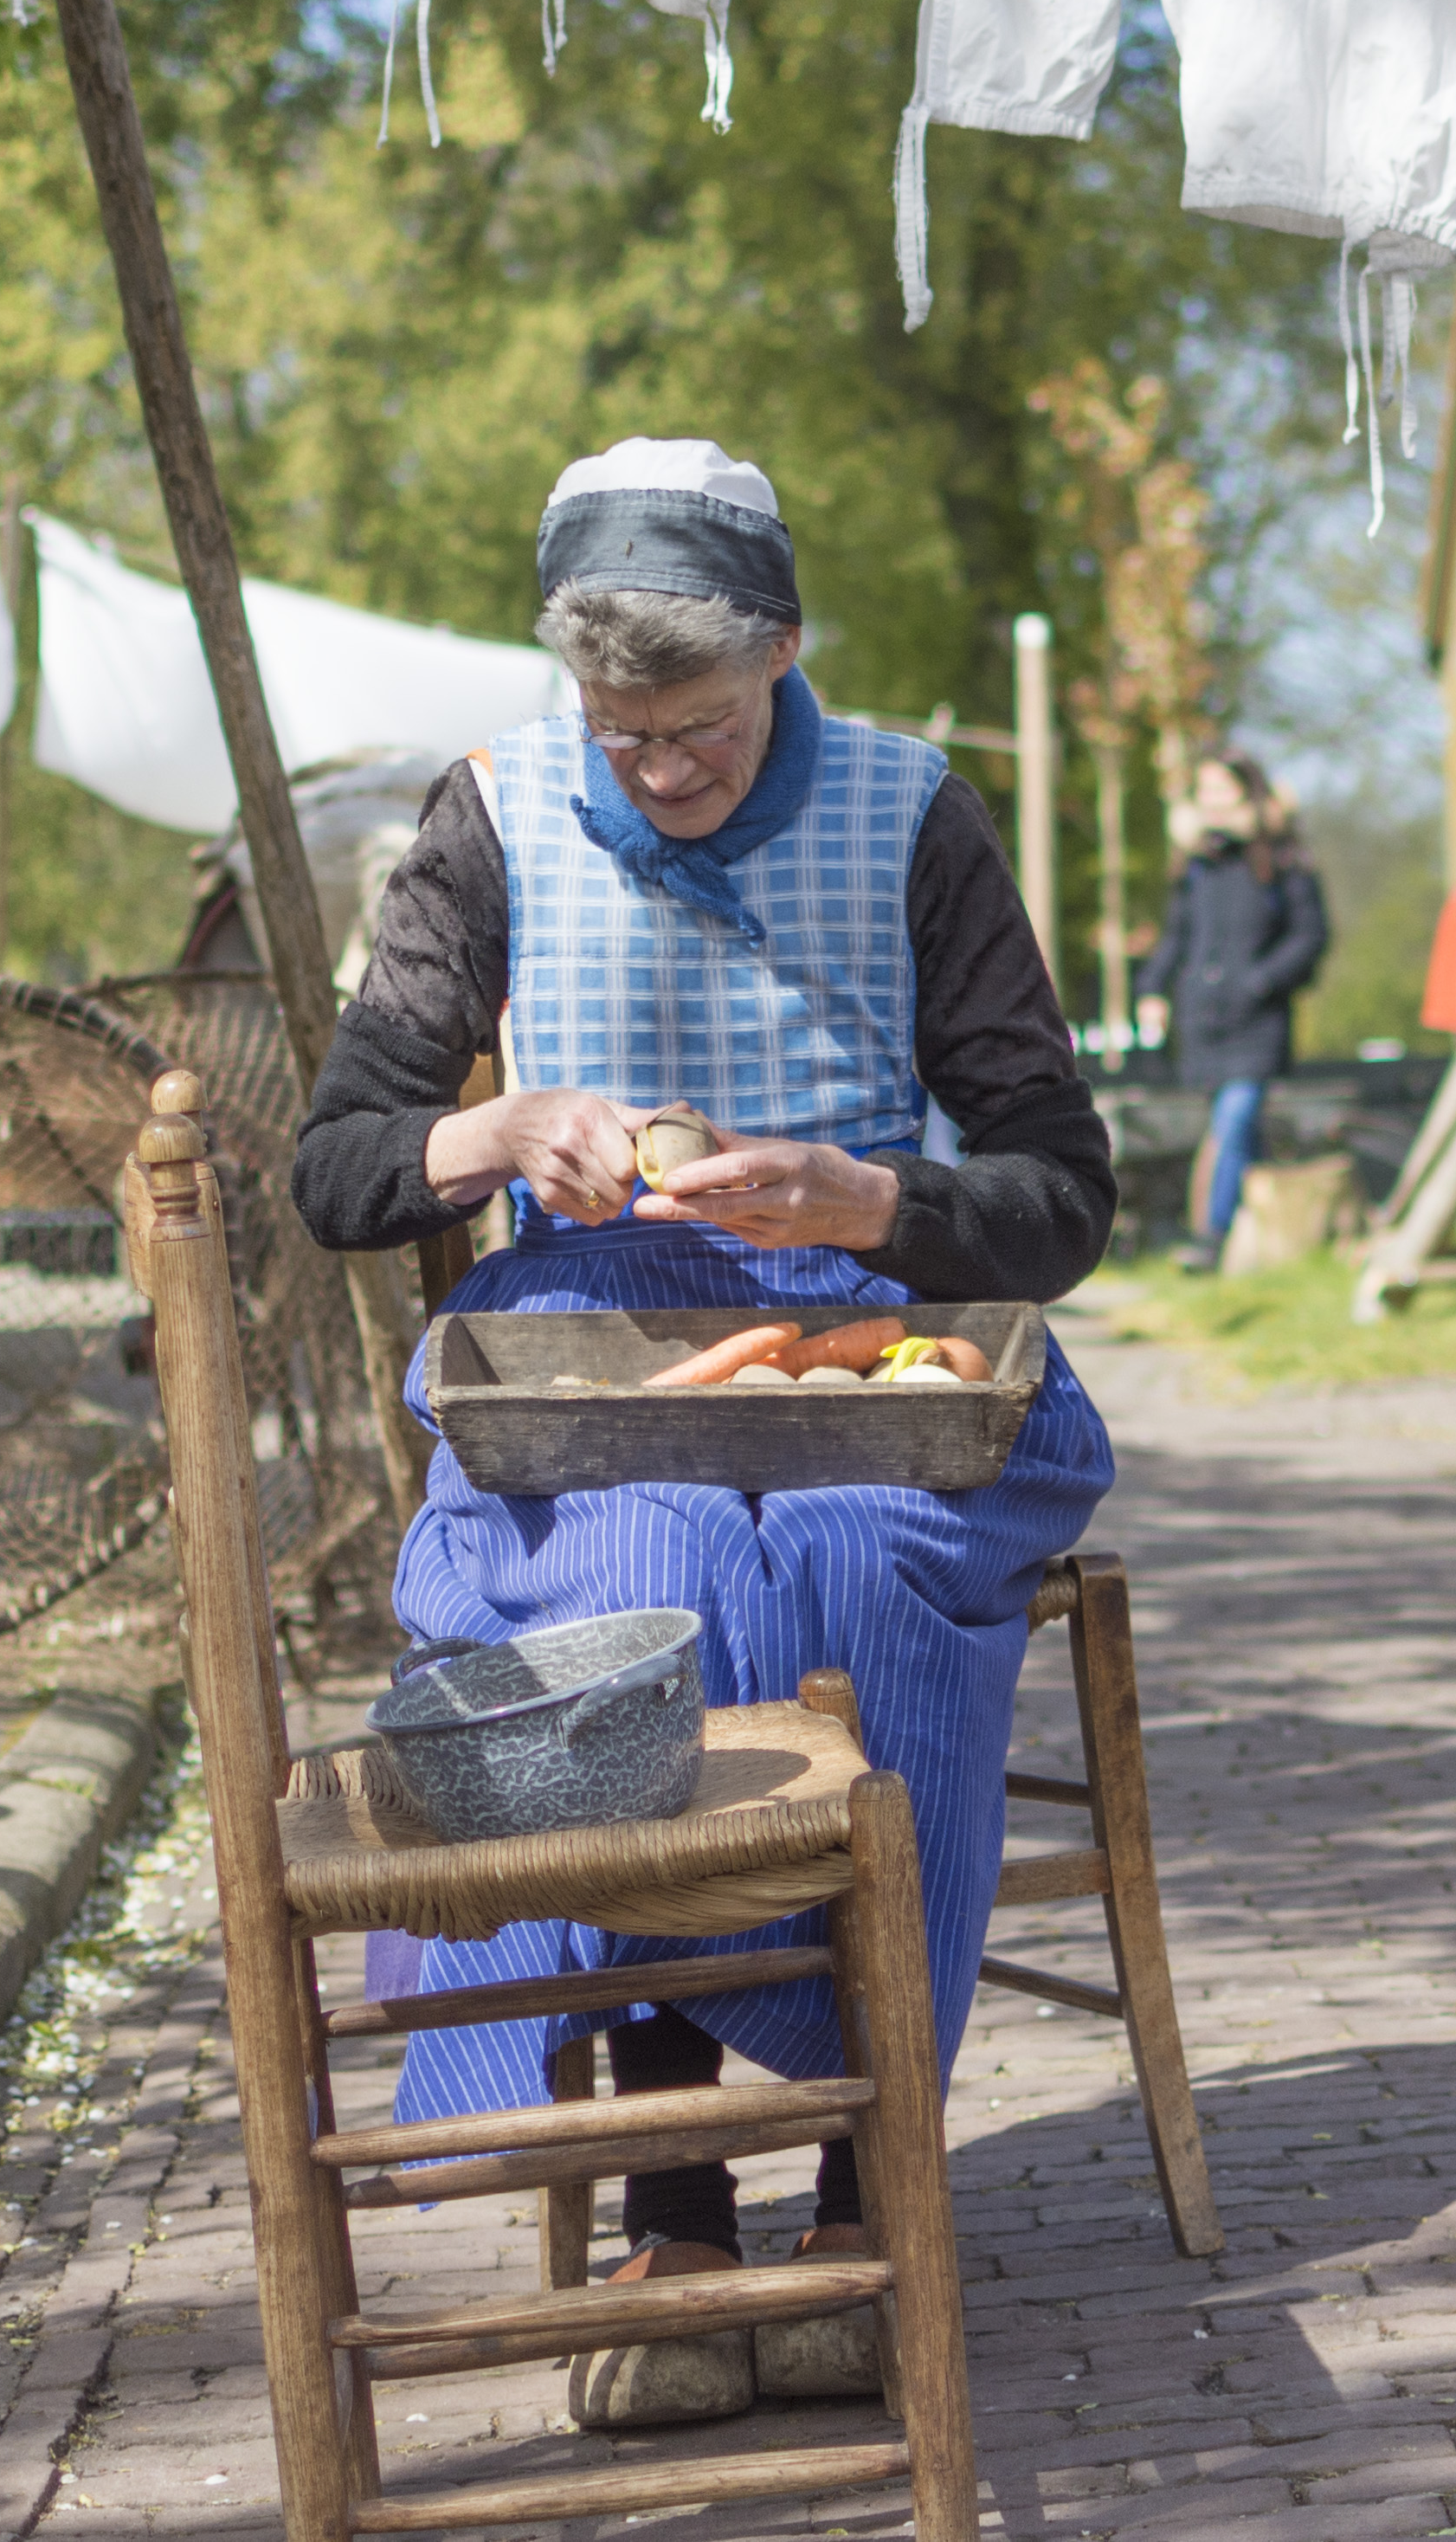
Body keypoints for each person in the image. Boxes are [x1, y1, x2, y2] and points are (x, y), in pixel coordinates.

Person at [293, 436, 1116, 2425]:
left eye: (700, 725)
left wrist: (869, 1205)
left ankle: (855, 2185)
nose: (658, 766)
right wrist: (482, 1136)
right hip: (587, 1367)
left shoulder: (916, 813)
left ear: (787, 652)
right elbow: (331, 1166)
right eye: (621, 728)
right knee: (643, 1588)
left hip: (874, 1356)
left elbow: (1062, 1191)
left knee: (857, 1574)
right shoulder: (487, 817)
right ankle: (671, 2194)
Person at [1134, 752, 1330, 1272]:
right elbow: (1177, 939)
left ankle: (1210, 1236)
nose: (1216, 801)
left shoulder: (1283, 861)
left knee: (1236, 1117)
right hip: (1203, 1023)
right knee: (1237, 1132)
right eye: (1207, 791)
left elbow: (1310, 936)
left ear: (1250, 794)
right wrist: (1152, 990)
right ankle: (1265, 1240)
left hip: (1257, 1023)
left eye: (1226, 790)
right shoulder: (1197, 868)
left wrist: (1261, 981)